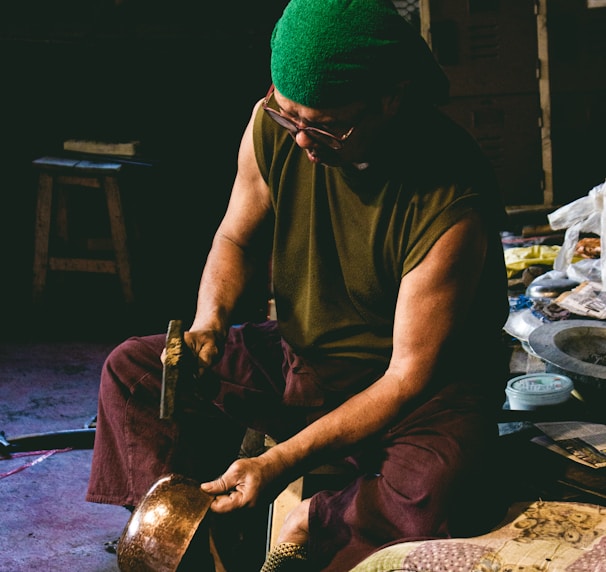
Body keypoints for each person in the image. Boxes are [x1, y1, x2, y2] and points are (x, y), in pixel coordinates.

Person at [86, 0, 511, 570]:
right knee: (132, 372)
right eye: (290, 118)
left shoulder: (452, 198)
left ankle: (320, 515)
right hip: (302, 359)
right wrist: (209, 321)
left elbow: (407, 377)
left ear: (391, 98)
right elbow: (234, 238)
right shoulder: (273, 126)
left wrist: (278, 463)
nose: (304, 141)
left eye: (328, 125)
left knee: (437, 496)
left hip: (422, 394)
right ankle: (181, 530)